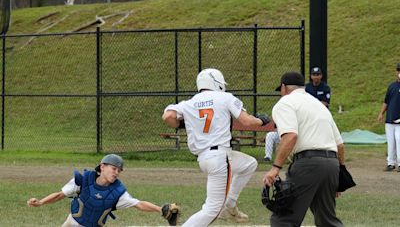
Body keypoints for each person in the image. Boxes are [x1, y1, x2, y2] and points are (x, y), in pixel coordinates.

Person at [162, 68, 269, 226]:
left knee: (249, 164)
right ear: (217, 83)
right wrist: (261, 120)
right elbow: (247, 122)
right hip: (219, 157)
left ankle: (230, 205)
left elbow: (168, 116)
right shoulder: (225, 97)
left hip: (205, 158)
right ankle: (223, 208)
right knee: (212, 210)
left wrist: (182, 123)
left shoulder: (189, 103)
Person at [263, 71, 345, 227]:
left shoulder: (285, 102)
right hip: (332, 164)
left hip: (308, 163)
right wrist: (339, 176)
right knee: (327, 220)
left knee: (283, 219)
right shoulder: (318, 105)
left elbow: (291, 136)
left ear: (284, 87)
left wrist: (275, 168)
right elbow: (340, 145)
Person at [27, 154, 170, 226]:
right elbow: (60, 195)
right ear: (102, 167)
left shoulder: (117, 192)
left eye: (119, 171)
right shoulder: (84, 179)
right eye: (114, 168)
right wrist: (40, 202)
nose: (116, 172)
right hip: (72, 223)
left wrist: (160, 209)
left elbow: (138, 204)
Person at [378, 63, 400, 172]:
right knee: (391, 142)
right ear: (396, 72)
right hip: (390, 120)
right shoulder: (392, 86)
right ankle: (391, 163)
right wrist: (381, 113)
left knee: (399, 140)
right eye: (398, 70)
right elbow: (386, 101)